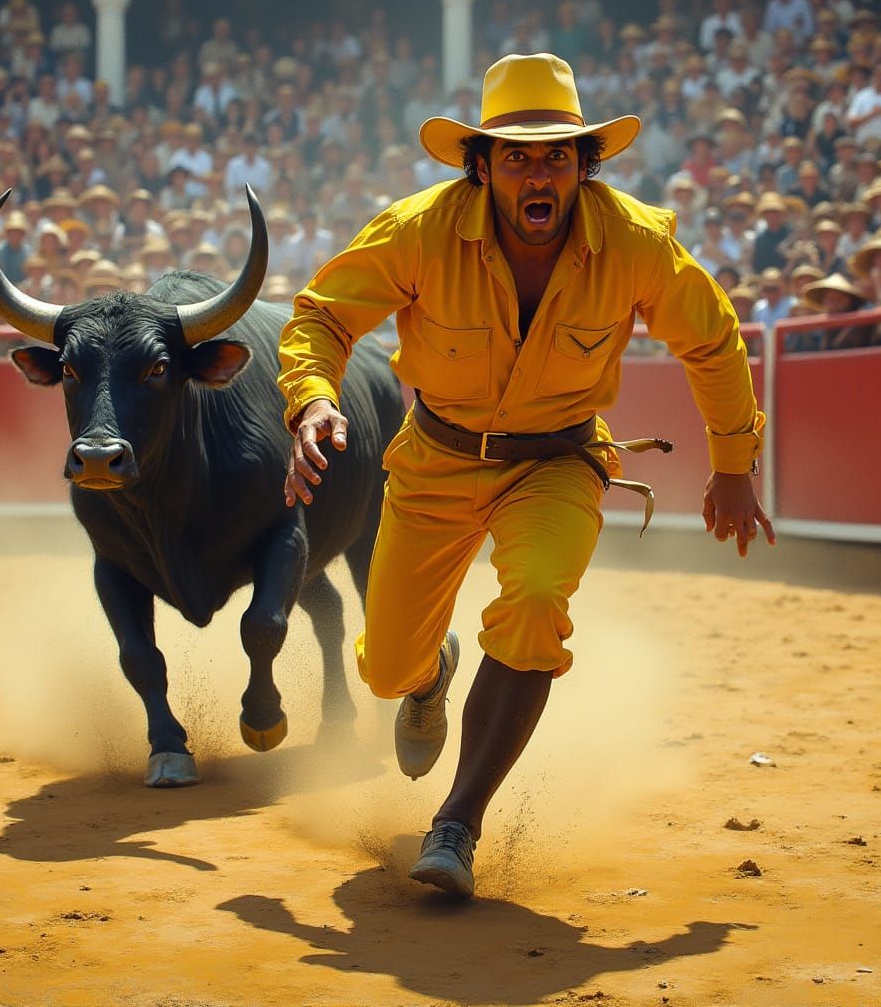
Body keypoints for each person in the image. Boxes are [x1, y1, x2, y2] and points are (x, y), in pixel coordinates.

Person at [277, 53, 775, 900]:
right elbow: (322, 317)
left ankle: (457, 825)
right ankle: (430, 674)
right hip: (434, 459)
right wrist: (312, 401)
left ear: (586, 166)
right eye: (517, 156)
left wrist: (733, 466)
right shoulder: (416, 230)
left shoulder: (638, 242)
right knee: (386, 669)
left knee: (538, 602)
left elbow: (714, 342)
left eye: (556, 155)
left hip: (557, 461)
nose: (537, 172)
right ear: (481, 167)